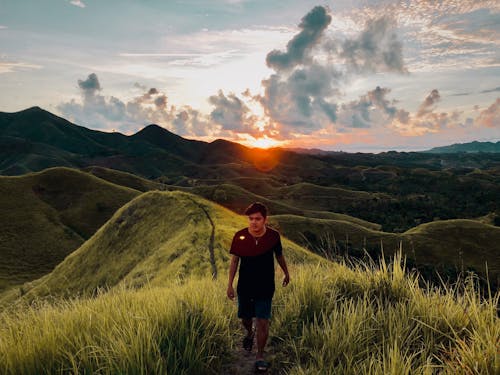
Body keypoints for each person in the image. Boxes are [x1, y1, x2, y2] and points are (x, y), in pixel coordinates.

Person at [226, 202, 290, 372]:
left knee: (263, 321)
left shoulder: (273, 236)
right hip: (245, 286)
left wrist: (286, 273)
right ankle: (249, 333)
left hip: (265, 285)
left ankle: (260, 356)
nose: (254, 222)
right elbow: (234, 261)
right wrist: (229, 285)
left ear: (265, 220)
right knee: (246, 318)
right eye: (251, 219)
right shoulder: (239, 236)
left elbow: (280, 256)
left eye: (257, 219)